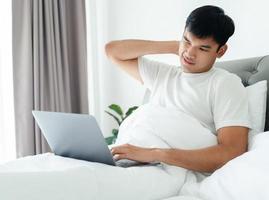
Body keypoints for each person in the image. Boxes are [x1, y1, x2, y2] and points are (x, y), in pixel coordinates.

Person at [106, 5, 251, 173]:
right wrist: (175, 47)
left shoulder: (225, 83)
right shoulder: (163, 74)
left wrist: (156, 154)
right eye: (187, 41)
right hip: (132, 159)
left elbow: (231, 151)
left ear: (221, 51)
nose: (190, 53)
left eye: (203, 48)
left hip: (167, 168)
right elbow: (112, 51)